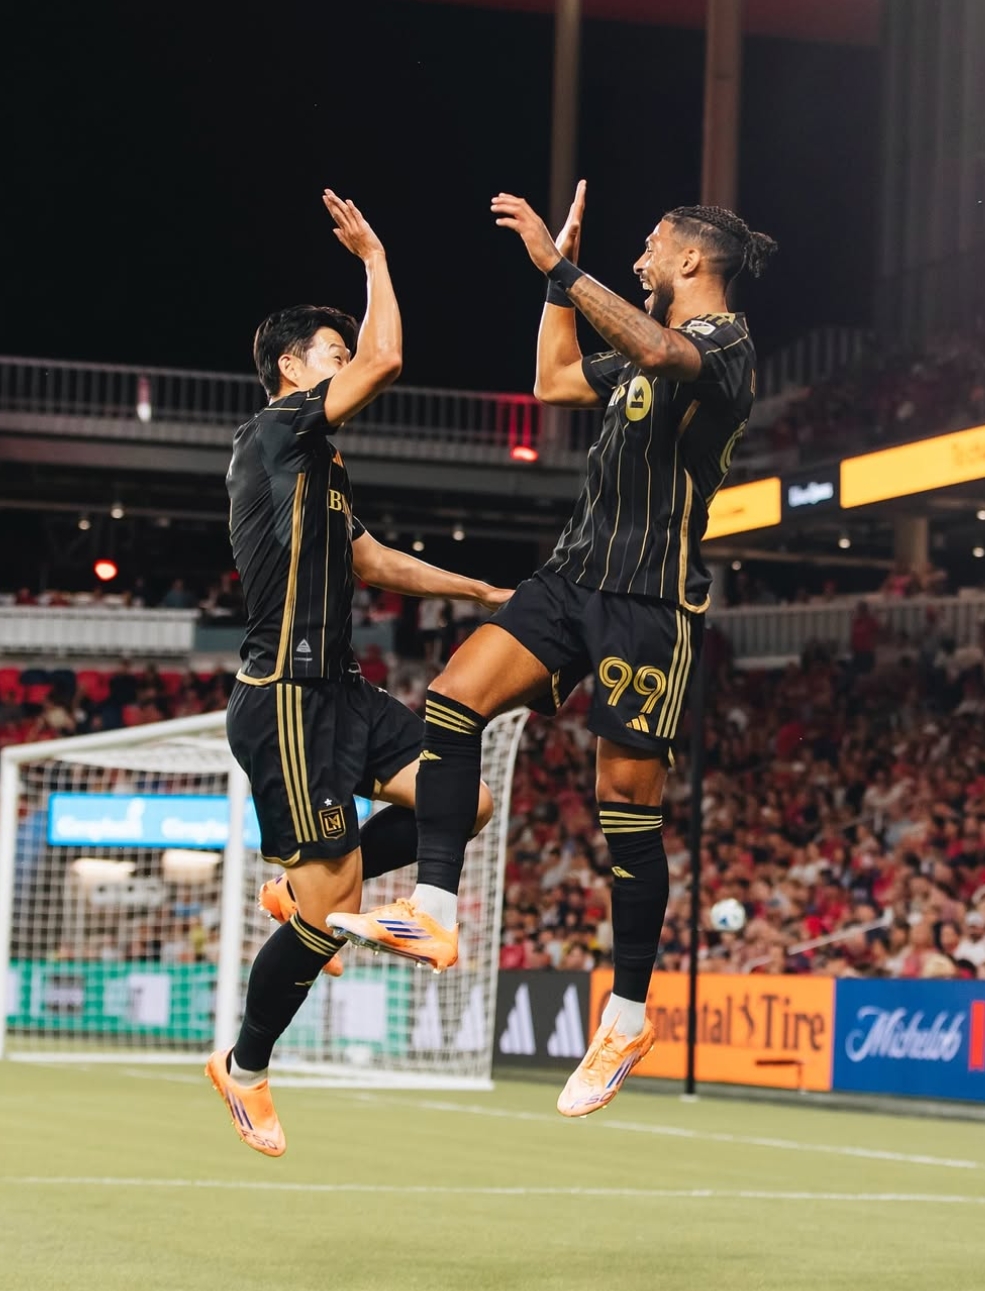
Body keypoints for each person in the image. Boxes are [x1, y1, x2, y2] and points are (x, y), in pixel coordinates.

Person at [329, 181, 776, 1117]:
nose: (639, 258)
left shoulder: (724, 346)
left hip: (648, 602)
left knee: (626, 809)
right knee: (452, 696)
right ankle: (434, 911)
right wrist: (552, 290)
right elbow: (554, 380)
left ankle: (625, 1016)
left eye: (650, 245)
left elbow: (661, 349)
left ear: (692, 260)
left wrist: (559, 265)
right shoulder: (644, 350)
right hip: (570, 578)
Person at [205, 189, 512, 1156]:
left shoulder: (321, 467)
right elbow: (386, 359)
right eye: (330, 351)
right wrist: (375, 258)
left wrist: (480, 590)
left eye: (342, 349)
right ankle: (244, 1067)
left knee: (465, 798)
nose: (347, 360)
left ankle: (305, 899)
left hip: (339, 690)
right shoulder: (272, 433)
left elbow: (372, 559)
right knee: (331, 912)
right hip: (285, 699)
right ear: (291, 369)